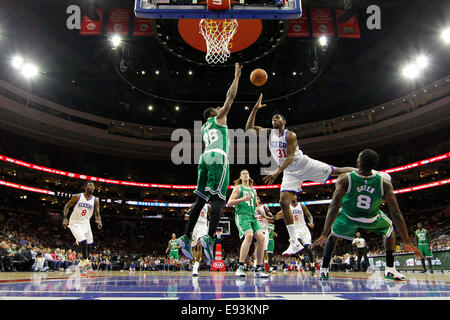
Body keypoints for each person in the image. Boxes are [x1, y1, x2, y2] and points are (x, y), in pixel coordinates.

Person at [245, 94, 355, 256]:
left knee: (336, 171)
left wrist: (277, 171)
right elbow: (248, 128)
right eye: (273, 119)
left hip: (304, 165)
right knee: (283, 202)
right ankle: (294, 241)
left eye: (278, 119)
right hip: (290, 173)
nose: (274, 120)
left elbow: (290, 157)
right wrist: (255, 109)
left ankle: (364, 172)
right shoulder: (269, 133)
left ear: (284, 122)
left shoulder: (290, 135)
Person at [312, 149, 423, 281]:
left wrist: (324, 233)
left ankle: (324, 270)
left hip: (348, 216)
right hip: (371, 217)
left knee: (333, 236)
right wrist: (407, 241)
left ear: (358, 162)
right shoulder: (384, 182)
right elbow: (396, 212)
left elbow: (334, 206)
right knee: (389, 230)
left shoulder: (345, 179)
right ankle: (390, 270)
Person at [177, 63, 243, 263]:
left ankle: (187, 236)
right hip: (217, 158)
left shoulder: (204, 127)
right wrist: (237, 77)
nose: (219, 108)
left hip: (204, 159)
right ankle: (210, 236)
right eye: (217, 108)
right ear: (214, 113)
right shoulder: (219, 119)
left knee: (200, 200)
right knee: (218, 199)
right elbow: (230, 98)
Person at [227, 169, 268, 278]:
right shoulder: (238, 188)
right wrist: (243, 198)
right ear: (240, 177)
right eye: (243, 173)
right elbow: (229, 202)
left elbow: (256, 205)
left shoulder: (253, 190)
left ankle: (259, 268)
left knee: (261, 237)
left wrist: (260, 211)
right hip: (242, 216)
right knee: (249, 236)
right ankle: (240, 267)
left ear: (249, 176)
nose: (245, 175)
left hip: (252, 216)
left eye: (247, 173)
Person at [63, 181, 102, 276]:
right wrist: (65, 218)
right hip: (75, 222)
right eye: (90, 185)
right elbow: (67, 206)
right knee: (83, 242)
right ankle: (86, 264)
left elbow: (97, 213)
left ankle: (81, 264)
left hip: (86, 223)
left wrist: (99, 220)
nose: (92, 187)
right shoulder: (77, 196)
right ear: (85, 187)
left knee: (89, 245)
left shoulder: (95, 200)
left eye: (93, 186)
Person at [275, 195, 316, 272]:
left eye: (293, 196)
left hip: (304, 228)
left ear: (296, 196)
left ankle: (312, 265)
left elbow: (309, 215)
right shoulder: (287, 208)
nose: (292, 197)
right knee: (299, 245)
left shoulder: (302, 206)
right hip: (295, 230)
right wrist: (276, 216)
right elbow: (278, 215)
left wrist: (311, 222)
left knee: (308, 248)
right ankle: (302, 260)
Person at [184, 203, 210, 276]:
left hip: (203, 227)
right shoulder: (193, 205)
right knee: (192, 248)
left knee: (200, 245)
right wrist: (192, 216)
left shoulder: (208, 206)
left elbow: (211, 216)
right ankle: (197, 259)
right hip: (194, 226)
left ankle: (195, 268)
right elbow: (185, 217)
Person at [252, 197, 273, 270]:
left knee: (264, 249)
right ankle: (255, 264)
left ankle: (266, 265)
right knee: (256, 247)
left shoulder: (264, 206)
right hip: (256, 229)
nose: (256, 199)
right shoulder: (251, 209)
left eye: (258, 198)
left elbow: (271, 217)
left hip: (264, 229)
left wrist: (269, 213)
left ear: (260, 200)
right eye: (255, 199)